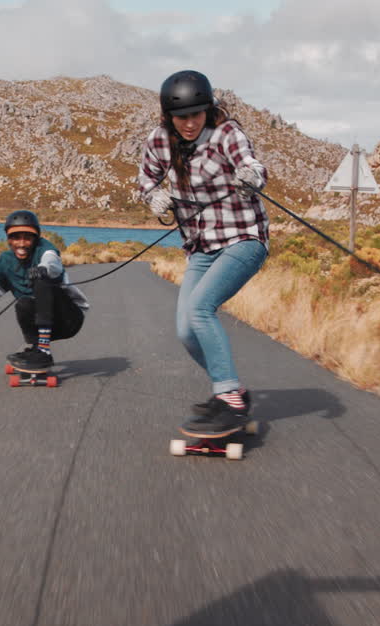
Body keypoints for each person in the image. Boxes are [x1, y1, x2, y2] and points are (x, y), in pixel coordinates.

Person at [137, 69, 269, 433]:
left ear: (208, 110)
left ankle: (227, 398)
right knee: (185, 330)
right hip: (201, 248)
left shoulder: (227, 133)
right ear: (169, 117)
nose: (190, 123)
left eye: (196, 114)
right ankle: (233, 392)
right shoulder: (160, 140)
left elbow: (251, 165)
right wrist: (154, 197)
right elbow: (145, 180)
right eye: (182, 117)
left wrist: (250, 178)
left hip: (243, 238)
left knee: (200, 308)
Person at [0, 210, 89, 370]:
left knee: (40, 279)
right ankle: (36, 349)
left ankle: (44, 352)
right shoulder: (6, 261)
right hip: (43, 324)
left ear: (36, 238)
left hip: (68, 319)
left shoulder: (45, 249)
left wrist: (43, 269)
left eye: (28, 237)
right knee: (23, 303)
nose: (22, 243)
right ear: (8, 239)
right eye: (15, 237)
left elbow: (52, 261)